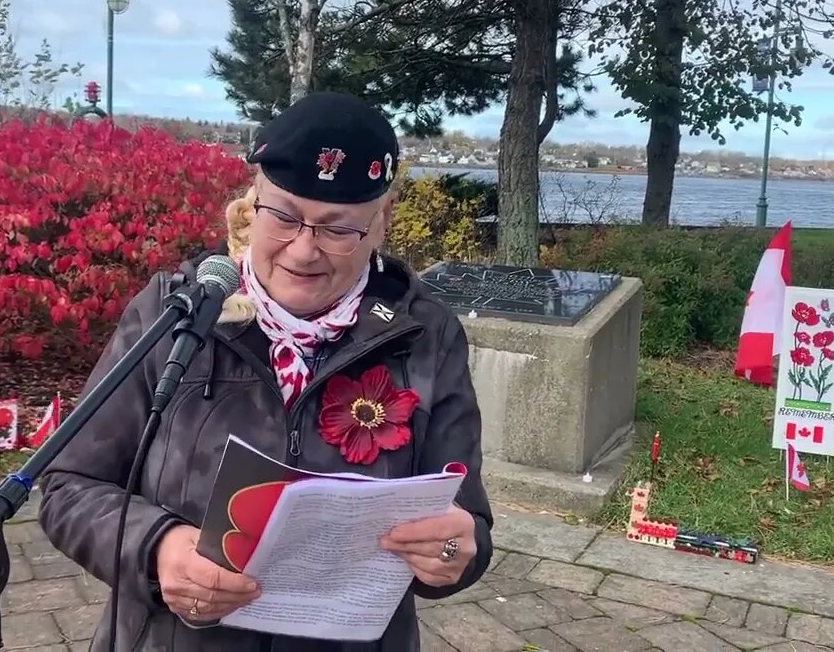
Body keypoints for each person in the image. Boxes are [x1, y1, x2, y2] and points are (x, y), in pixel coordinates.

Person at [40, 91, 494, 651]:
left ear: (379, 224)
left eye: (337, 228)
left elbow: (466, 521)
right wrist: (157, 549)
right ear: (252, 203)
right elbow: (67, 486)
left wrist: (455, 551)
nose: (304, 251)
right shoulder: (173, 314)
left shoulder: (427, 334)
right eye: (283, 216)